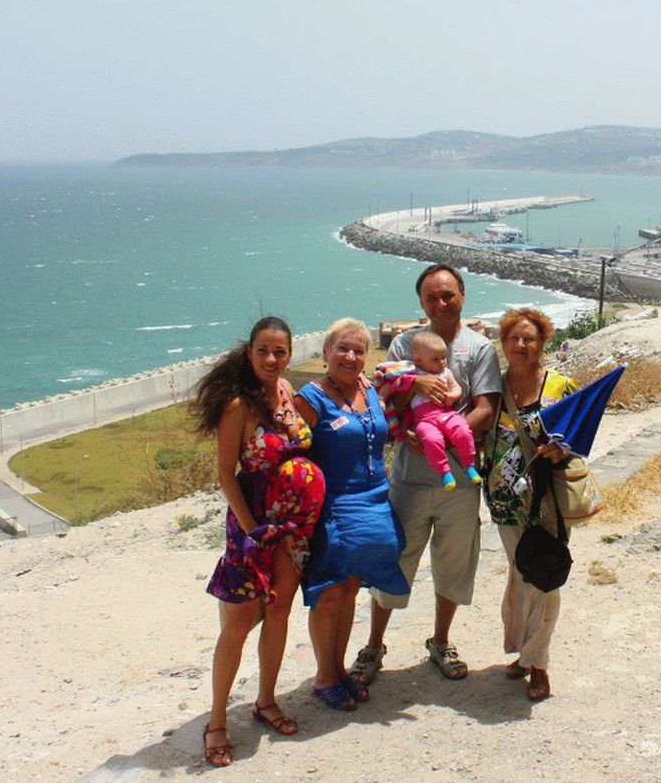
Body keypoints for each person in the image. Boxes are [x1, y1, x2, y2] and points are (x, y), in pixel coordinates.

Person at [349, 264, 501, 684]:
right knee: (394, 559)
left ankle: (440, 641)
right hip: (410, 477)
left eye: (448, 295)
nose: (441, 303)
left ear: (463, 297)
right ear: (421, 302)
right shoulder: (403, 344)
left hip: (460, 480)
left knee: (453, 564)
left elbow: (486, 406)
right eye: (432, 297)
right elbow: (383, 397)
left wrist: (449, 437)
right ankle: (375, 644)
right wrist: (412, 411)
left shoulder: (479, 348)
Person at [191, 317, 325, 768]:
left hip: (291, 530)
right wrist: (252, 531)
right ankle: (216, 723)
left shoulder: (287, 391)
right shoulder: (238, 406)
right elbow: (225, 475)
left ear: (290, 354)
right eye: (263, 350)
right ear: (249, 352)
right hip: (253, 530)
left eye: (280, 351)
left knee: (280, 612)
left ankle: (266, 700)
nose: (271, 359)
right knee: (238, 623)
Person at [294, 318, 410, 711]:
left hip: (375, 503)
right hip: (335, 509)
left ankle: (339, 670)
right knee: (329, 593)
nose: (350, 356)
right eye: (342, 348)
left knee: (350, 589)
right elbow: (289, 451)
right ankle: (325, 676)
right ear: (325, 353)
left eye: (358, 350)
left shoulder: (371, 390)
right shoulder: (310, 399)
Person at [486, 307, 579, 702]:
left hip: (545, 499)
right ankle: (524, 653)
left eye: (529, 339)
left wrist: (562, 452)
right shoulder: (493, 387)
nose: (521, 345)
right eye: (514, 339)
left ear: (542, 343)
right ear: (504, 344)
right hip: (504, 498)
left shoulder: (560, 385)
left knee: (544, 573)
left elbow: (581, 435)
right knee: (519, 572)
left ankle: (538, 662)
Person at [377, 331, 483, 490]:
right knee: (431, 440)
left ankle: (469, 464)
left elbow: (456, 387)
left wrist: (452, 395)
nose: (442, 362)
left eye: (444, 357)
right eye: (436, 359)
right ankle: (444, 472)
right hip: (424, 419)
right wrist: (381, 400)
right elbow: (390, 384)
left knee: (463, 431)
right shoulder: (409, 373)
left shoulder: (445, 373)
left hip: (446, 413)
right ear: (419, 359)